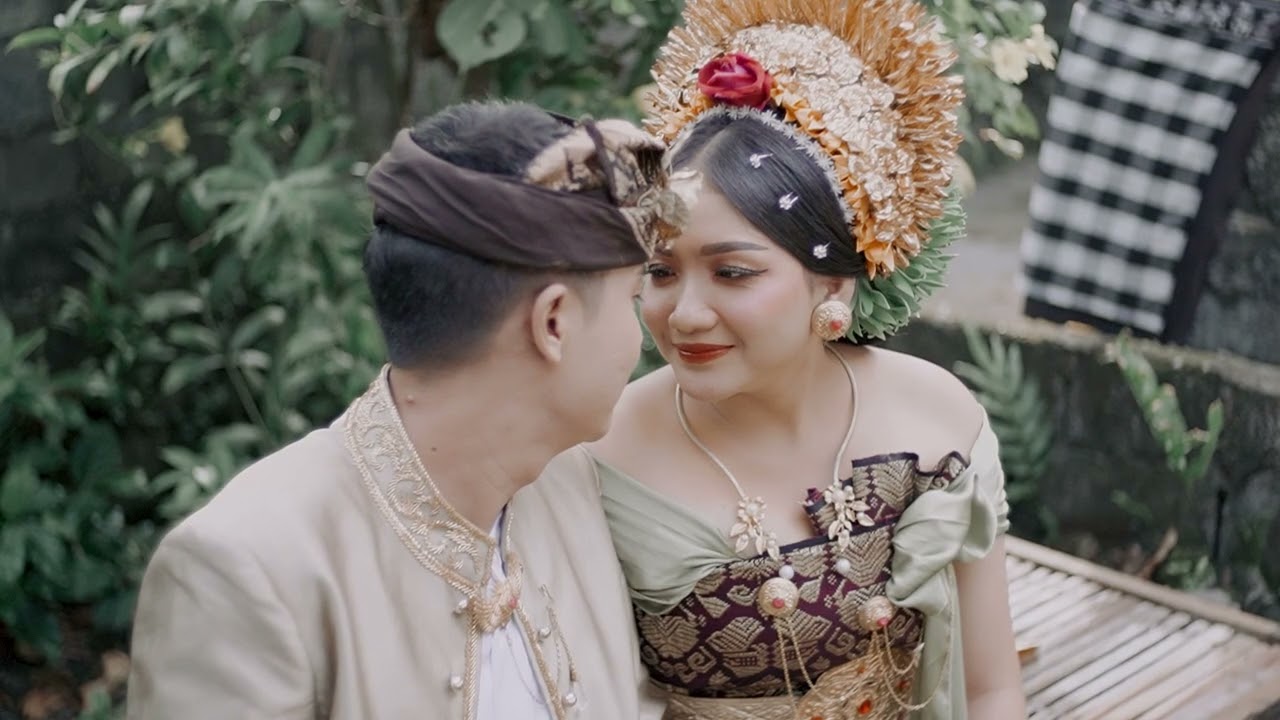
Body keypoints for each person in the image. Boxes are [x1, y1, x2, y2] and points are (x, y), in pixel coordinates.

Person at [540, 0, 1026, 717]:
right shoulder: (598, 453)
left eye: (732, 273)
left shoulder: (937, 417)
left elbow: (991, 688)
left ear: (832, 282)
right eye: (662, 272)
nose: (686, 313)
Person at [125, 101, 688, 720]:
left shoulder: (574, 485)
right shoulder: (247, 570)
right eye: (633, 297)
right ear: (553, 321)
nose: (639, 339)